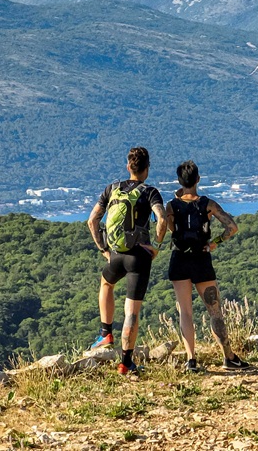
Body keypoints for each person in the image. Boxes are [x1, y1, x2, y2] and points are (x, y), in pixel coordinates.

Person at [87, 147, 167, 375]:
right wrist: (157, 247)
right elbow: (161, 219)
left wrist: (104, 248)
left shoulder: (112, 189)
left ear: (128, 167)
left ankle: (105, 334)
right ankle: (126, 362)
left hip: (116, 254)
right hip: (139, 256)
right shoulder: (149, 191)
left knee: (106, 283)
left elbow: (92, 221)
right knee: (131, 310)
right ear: (147, 168)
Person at [166, 160, 249, 372]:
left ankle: (191, 359)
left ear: (179, 181)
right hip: (201, 259)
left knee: (185, 312)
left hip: (179, 259)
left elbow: (168, 229)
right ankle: (228, 357)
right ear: (198, 180)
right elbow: (232, 227)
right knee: (214, 311)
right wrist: (213, 244)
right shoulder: (208, 204)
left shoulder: (172, 206)